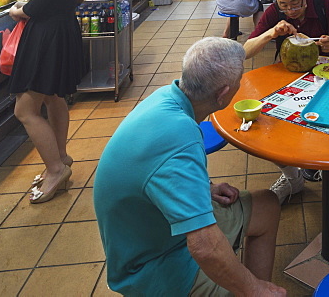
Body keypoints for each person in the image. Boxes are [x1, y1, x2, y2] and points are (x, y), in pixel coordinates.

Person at [95, 38, 284, 296]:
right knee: (242, 282)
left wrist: (204, 188)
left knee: (267, 206)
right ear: (223, 94)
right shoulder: (181, 138)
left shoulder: (167, 96)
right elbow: (204, 247)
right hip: (151, 265)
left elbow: (158, 172)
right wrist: (255, 289)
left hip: (156, 226)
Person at [243, 0, 329, 202]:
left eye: (295, 3)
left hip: (326, 79)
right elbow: (245, 51)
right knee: (272, 128)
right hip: (290, 80)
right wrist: (270, 33)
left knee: (328, 128)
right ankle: (293, 178)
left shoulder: (324, 5)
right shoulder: (274, 13)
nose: (291, 10)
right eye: (284, 5)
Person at [9, 0, 91, 204]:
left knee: (25, 110)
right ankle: (62, 157)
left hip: (46, 40)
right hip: (64, 34)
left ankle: (55, 169)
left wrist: (16, 9)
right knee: (55, 98)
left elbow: (33, 9)